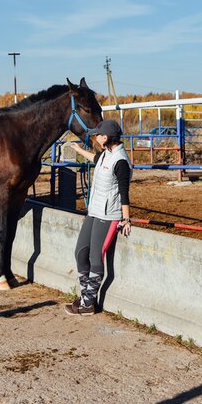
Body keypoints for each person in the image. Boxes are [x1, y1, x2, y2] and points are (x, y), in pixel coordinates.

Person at [65, 119, 133, 316]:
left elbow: (124, 191)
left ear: (106, 137)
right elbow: (96, 160)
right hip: (94, 211)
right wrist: (79, 151)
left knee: (96, 257)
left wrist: (126, 219)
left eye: (98, 134)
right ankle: (86, 295)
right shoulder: (107, 154)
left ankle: (88, 303)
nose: (95, 137)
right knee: (80, 251)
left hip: (109, 214)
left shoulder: (120, 160)